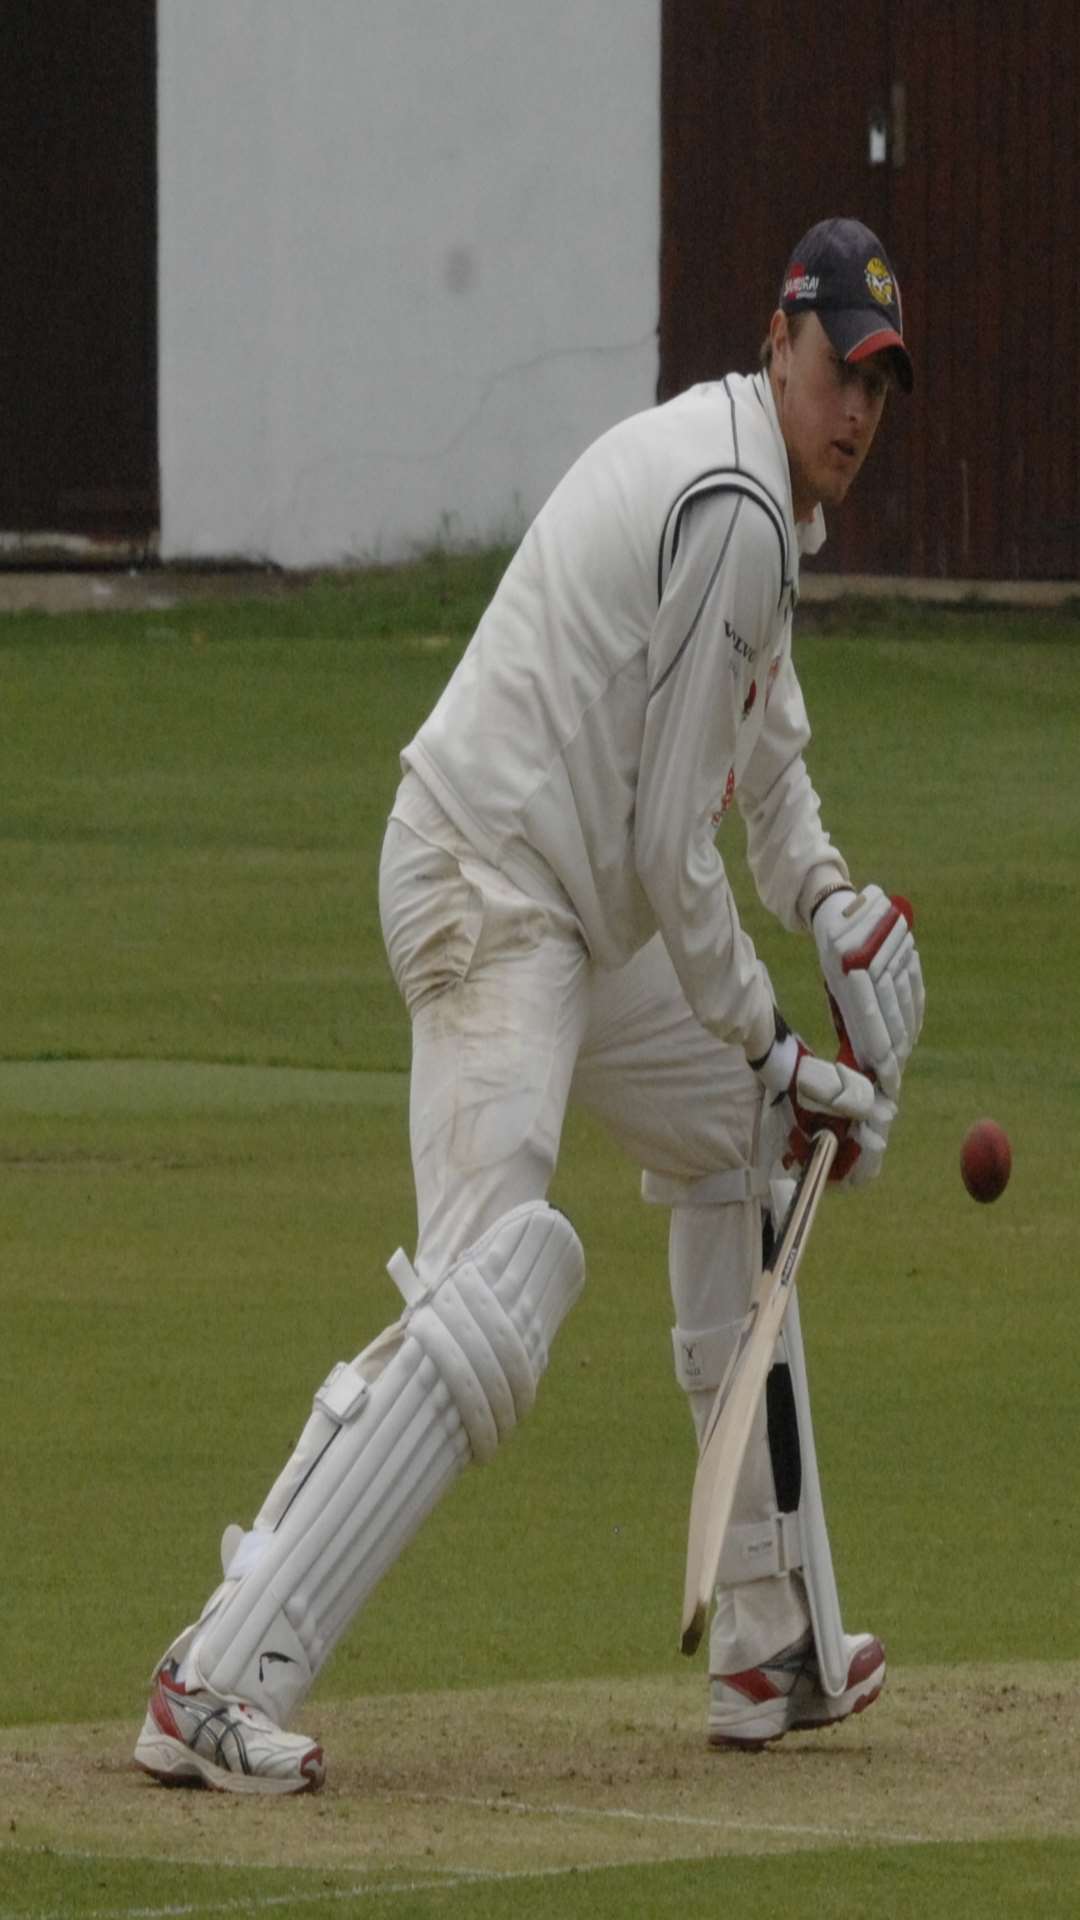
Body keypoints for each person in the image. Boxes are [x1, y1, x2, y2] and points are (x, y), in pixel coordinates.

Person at [134, 216, 924, 1793]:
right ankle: (212, 1680)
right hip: (491, 885)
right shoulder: (733, 507)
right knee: (499, 1287)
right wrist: (777, 1034)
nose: (858, 411)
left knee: (746, 1140)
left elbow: (765, 765)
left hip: (573, 906)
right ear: (781, 339)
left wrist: (831, 903)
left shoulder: (755, 503)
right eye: (842, 369)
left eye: (882, 389)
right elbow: (663, 837)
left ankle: (773, 1645)